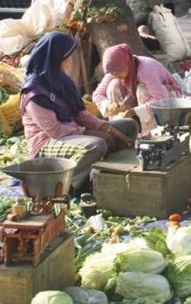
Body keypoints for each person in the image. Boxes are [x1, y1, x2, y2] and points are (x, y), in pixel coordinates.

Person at [21, 32, 138, 195]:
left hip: (72, 133)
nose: (70, 62)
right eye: (67, 57)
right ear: (55, 57)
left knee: (128, 126)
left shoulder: (62, 81)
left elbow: (81, 115)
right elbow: (55, 131)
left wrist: (108, 129)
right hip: (47, 143)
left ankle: (108, 175)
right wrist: (95, 134)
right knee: (97, 145)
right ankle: (66, 187)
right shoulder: (34, 92)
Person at [93, 44, 182, 122]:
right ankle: (120, 126)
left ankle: (149, 132)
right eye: (112, 73)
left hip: (168, 100)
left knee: (142, 90)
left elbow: (159, 100)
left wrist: (134, 112)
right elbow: (97, 94)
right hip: (137, 101)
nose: (115, 75)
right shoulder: (113, 70)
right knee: (113, 86)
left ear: (125, 64)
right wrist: (108, 106)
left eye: (118, 71)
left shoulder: (146, 69)